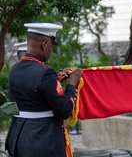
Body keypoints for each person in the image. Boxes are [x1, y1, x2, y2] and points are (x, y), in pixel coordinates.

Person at [5, 22, 82, 157]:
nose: (50, 50)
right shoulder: (45, 73)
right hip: (42, 142)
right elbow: (64, 111)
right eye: (51, 46)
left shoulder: (14, 70)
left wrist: (55, 82)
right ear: (44, 44)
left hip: (18, 138)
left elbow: (34, 93)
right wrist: (71, 84)